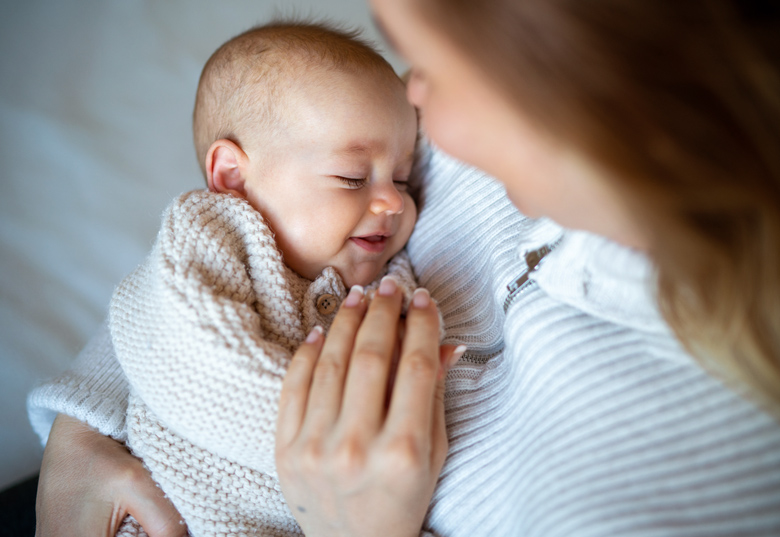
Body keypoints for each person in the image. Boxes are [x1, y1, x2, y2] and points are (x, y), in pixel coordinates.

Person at [30, 1, 780, 536]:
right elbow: (180, 294)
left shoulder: (685, 484)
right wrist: (79, 428)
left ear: (560, 83)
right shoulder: (436, 149)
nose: (412, 98)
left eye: (427, 67)